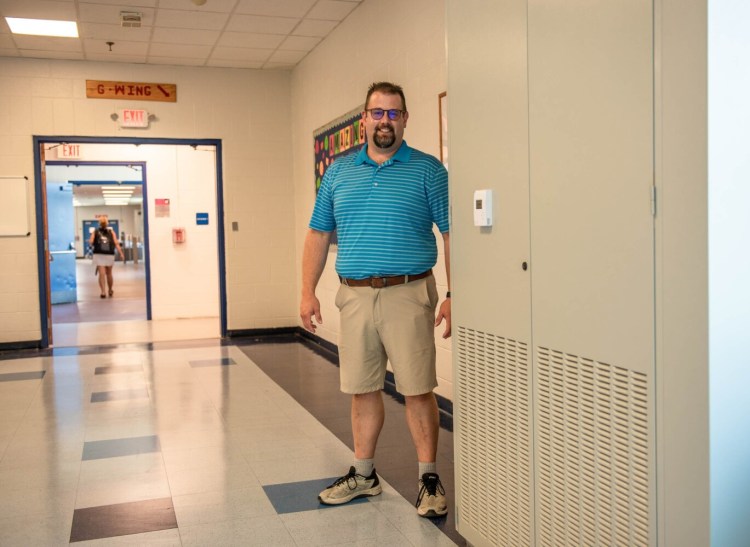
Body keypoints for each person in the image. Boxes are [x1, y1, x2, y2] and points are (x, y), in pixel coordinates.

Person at [300, 82, 451, 518]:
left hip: (409, 293)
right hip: (356, 296)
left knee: (418, 388)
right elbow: (317, 233)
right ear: (363, 120)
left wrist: (456, 292)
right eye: (377, 113)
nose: (385, 121)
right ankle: (364, 475)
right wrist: (307, 291)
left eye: (393, 113)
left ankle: (428, 480)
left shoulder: (428, 170)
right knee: (362, 389)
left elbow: (451, 231)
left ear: (405, 119)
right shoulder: (339, 172)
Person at [89, 216, 125, 299]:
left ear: (99, 223)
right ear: (107, 223)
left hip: (99, 254)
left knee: (101, 274)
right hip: (109, 254)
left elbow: (91, 242)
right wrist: (121, 253)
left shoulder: (95, 231)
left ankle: (103, 292)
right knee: (109, 273)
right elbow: (116, 243)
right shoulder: (111, 232)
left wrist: (92, 240)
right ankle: (110, 289)